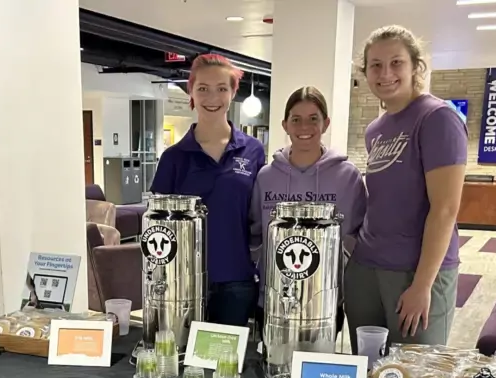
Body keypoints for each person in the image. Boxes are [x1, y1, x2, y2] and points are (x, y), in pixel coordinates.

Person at [345, 25, 468, 352]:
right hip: (367, 266)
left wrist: (422, 284)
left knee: (412, 374)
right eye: (375, 65)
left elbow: (445, 210)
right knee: (367, 368)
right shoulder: (376, 129)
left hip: (416, 271)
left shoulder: (438, 118)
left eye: (396, 62)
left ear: (416, 66)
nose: (385, 73)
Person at [150, 54, 267, 327]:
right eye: (202, 88)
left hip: (236, 279)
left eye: (221, 89)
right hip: (183, 282)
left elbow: (259, 216)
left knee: (227, 365)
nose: (212, 97)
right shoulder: (174, 158)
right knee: (183, 366)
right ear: (190, 91)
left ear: (233, 93)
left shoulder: (253, 151)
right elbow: (157, 229)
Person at [249, 86, 366, 338]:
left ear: (325, 124)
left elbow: (357, 235)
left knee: (316, 373)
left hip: (324, 300)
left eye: (314, 119)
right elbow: (256, 233)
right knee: (272, 371)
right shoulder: (266, 177)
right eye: (296, 119)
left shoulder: (348, 177)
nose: (305, 127)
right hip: (272, 300)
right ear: (285, 124)